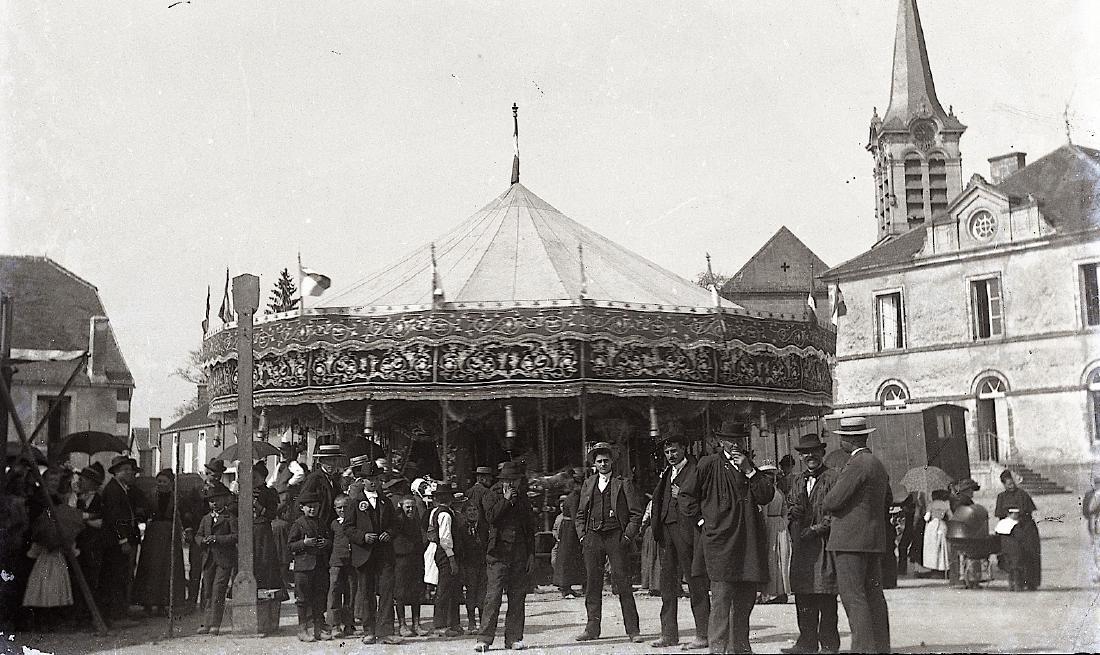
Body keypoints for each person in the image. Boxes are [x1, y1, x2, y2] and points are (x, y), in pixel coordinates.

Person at [680, 421, 773, 655]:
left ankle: (739, 648)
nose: (736, 445)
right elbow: (685, 496)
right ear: (721, 442)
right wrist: (702, 523)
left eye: (739, 440)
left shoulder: (750, 467)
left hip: (748, 543)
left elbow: (766, 496)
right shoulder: (709, 464)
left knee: (746, 598)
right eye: (731, 440)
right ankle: (717, 649)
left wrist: (750, 471)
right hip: (720, 544)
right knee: (721, 599)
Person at [822, 416, 892, 654]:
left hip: (850, 541)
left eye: (842, 437)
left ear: (849, 440)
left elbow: (832, 501)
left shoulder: (856, 464)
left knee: (853, 596)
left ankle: (863, 648)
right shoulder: (876, 463)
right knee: (873, 594)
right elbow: (887, 499)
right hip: (872, 539)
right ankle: (880, 646)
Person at [573, 442, 644, 644]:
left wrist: (627, 536)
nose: (603, 464)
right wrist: (582, 536)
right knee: (592, 583)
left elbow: (636, 514)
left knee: (623, 583)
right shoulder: (589, 483)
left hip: (616, 537)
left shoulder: (623, 483)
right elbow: (580, 513)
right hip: (593, 537)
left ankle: (633, 630)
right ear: (594, 464)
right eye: (599, 461)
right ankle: (592, 629)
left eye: (606, 460)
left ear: (612, 461)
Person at [650, 434, 709, 650]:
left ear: (684, 448)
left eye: (674, 450)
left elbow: (704, 498)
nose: (670, 455)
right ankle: (668, 634)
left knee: (696, 583)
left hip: (687, 533)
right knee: (667, 585)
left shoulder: (696, 470)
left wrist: (682, 494)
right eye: (667, 452)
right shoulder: (667, 472)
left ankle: (703, 634)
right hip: (666, 533)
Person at [782, 433, 840, 655]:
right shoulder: (797, 480)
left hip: (824, 545)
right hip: (802, 547)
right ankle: (806, 643)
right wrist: (793, 512)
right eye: (805, 453)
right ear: (800, 457)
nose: (810, 456)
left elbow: (837, 513)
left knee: (825, 594)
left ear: (822, 453)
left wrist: (817, 529)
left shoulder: (833, 478)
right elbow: (789, 505)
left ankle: (829, 645)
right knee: (803, 595)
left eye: (814, 452)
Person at [475, 461, 537, 652]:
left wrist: (531, 554)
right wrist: (506, 500)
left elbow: (529, 528)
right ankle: (484, 639)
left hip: (519, 554)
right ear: (502, 480)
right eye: (508, 480)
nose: (512, 484)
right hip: (498, 554)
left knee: (517, 597)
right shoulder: (491, 495)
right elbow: (491, 517)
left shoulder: (523, 498)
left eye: (515, 480)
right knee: (493, 597)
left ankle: (514, 638)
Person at [346, 458, 403, 645]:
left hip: (384, 554)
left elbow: (395, 525)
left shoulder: (386, 501)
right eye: (369, 479)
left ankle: (385, 631)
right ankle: (369, 630)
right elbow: (348, 528)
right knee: (367, 593)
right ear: (363, 481)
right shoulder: (355, 502)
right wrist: (362, 537)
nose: (373, 482)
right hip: (365, 554)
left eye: (376, 479)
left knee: (387, 592)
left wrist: (389, 533)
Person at [132, 468, 186, 615]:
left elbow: (180, 516)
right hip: (153, 534)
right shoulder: (150, 495)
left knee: (167, 568)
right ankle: (147, 603)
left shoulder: (176, 497)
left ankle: (163, 603)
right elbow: (144, 512)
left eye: (164, 481)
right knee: (151, 567)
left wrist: (180, 531)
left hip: (169, 533)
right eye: (159, 481)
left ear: (171, 483)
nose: (161, 484)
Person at [99, 455, 144, 628]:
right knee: (116, 577)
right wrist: (123, 539)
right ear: (117, 472)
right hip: (116, 543)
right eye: (125, 470)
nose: (129, 473)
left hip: (122, 540)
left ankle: (119, 612)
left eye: (129, 470)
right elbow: (115, 518)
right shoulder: (113, 491)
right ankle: (116, 615)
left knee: (122, 576)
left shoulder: (121, 488)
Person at [289, 489, 332, 642]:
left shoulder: (321, 523)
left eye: (315, 506)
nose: (313, 509)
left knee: (319, 598)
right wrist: (304, 543)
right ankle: (302, 630)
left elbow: (329, 541)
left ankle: (318, 629)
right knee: (302, 599)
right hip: (303, 567)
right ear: (302, 508)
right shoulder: (298, 524)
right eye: (309, 507)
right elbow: (290, 545)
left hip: (320, 566)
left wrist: (326, 543)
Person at [196, 481, 237, 635]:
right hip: (209, 559)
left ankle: (215, 624)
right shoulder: (206, 518)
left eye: (217, 500)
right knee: (207, 591)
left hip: (224, 560)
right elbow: (198, 535)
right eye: (211, 501)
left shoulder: (229, 517)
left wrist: (217, 539)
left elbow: (236, 536)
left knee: (218, 590)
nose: (214, 503)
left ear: (225, 500)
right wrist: (202, 541)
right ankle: (206, 623)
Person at [995, 469, 1041, 591]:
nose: (1011, 486)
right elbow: (999, 513)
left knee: (1030, 554)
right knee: (1013, 556)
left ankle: (1031, 583)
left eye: (1012, 483)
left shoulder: (1023, 494)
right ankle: (1016, 582)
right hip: (1010, 531)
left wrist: (1019, 515)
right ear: (1003, 484)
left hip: (1026, 528)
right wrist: (1008, 515)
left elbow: (1029, 510)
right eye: (1008, 484)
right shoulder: (1001, 497)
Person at [426, 481, 462, 636]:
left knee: (450, 588)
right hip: (445, 553)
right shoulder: (445, 514)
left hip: (440, 551)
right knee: (445, 588)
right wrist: (452, 559)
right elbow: (445, 539)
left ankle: (452, 623)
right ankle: (440, 624)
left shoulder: (435, 511)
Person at [73, 462, 107, 621]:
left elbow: (102, 521)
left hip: (94, 544)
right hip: (80, 544)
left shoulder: (99, 500)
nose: (81, 482)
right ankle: (80, 613)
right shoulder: (78, 499)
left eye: (84, 480)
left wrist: (84, 519)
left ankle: (92, 614)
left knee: (93, 578)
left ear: (93, 483)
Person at [251, 461, 289, 600]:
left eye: (255, 478)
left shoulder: (269, 492)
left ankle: (266, 588)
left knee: (264, 560)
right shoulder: (245, 491)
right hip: (249, 531)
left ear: (263, 478)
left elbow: (271, 514)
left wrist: (257, 505)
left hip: (262, 532)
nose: (252, 480)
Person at [759, 460, 792, 605]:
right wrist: (783, 523)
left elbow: (769, 512)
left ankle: (773, 593)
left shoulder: (772, 492)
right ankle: (778, 591)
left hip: (774, 525)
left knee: (775, 558)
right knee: (778, 558)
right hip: (779, 525)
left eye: (771, 475)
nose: (770, 477)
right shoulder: (777, 492)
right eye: (767, 475)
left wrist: (780, 523)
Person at [392, 495, 426, 636]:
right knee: (400, 593)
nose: (410, 509)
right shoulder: (398, 520)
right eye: (407, 507)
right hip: (400, 560)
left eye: (413, 507)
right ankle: (402, 625)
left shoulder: (416, 521)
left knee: (416, 593)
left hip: (415, 559)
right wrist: (400, 511)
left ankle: (416, 624)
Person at [554, 468, 586, 598]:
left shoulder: (574, 496)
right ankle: (565, 587)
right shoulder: (575, 498)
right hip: (571, 530)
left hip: (569, 529)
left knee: (568, 557)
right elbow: (575, 516)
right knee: (567, 558)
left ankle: (569, 586)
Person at [327, 493, 356, 638]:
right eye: (339, 508)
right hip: (337, 562)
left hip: (352, 562)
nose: (342, 510)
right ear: (335, 509)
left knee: (351, 592)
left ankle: (349, 623)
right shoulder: (333, 524)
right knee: (334, 591)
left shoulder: (355, 522)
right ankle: (334, 624)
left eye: (346, 507)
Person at [457, 499, 488, 633]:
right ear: (464, 513)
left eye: (475, 510)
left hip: (483, 564)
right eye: (469, 510)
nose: (472, 513)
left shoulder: (484, 528)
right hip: (469, 565)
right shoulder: (461, 529)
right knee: (471, 592)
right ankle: (471, 622)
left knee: (482, 593)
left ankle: (482, 622)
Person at [300, 444, 346, 529]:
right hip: (317, 524)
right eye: (328, 460)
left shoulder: (335, 480)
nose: (331, 464)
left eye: (334, 460)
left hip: (331, 525)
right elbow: (303, 500)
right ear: (321, 461)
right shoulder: (314, 478)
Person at [921, 489, 952, 576]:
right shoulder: (945, 504)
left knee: (932, 548)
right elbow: (950, 516)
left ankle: (933, 567)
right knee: (942, 547)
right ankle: (942, 567)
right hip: (942, 525)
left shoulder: (931, 505)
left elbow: (926, 518)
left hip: (932, 526)